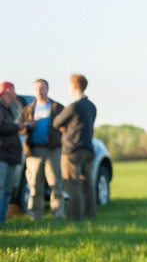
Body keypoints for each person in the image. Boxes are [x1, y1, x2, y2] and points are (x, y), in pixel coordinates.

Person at [52, 74, 97, 221]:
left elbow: (56, 122)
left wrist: (65, 128)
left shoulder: (74, 106)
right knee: (87, 185)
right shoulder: (92, 106)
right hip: (88, 149)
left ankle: (74, 217)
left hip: (72, 150)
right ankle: (90, 215)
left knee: (72, 185)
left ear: (74, 86)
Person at [19, 79, 66, 220]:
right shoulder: (28, 109)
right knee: (34, 184)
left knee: (55, 183)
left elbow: (67, 126)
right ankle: (35, 215)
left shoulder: (57, 107)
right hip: (34, 151)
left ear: (47, 89)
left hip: (53, 150)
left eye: (42, 88)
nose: (39, 91)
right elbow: (19, 128)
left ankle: (58, 214)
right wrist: (28, 126)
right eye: (36, 89)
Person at [1, 81, 29, 223]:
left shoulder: (11, 109)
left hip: (12, 155)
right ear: (7, 90)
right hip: (2, 155)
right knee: (1, 189)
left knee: (7, 190)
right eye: (13, 90)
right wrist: (17, 126)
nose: (15, 94)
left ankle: (2, 220)